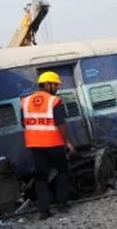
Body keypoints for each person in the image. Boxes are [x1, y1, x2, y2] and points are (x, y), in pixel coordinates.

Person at [20, 71, 75, 219]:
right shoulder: (54, 101)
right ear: (48, 84)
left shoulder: (25, 101)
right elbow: (60, 123)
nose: (57, 88)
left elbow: (24, 123)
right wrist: (68, 143)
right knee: (63, 171)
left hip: (36, 146)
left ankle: (44, 211)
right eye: (55, 85)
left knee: (40, 177)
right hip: (54, 143)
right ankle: (62, 204)